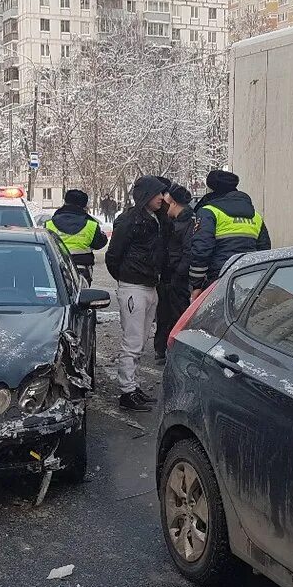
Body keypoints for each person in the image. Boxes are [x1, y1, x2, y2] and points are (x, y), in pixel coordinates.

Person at [106, 175, 168, 412]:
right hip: (134, 287)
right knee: (132, 342)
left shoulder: (156, 219)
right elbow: (114, 255)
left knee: (141, 341)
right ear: (146, 195)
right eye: (158, 194)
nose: (162, 198)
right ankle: (126, 392)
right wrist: (126, 278)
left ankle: (132, 386)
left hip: (150, 286)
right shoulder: (130, 220)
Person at [189, 169, 271, 298]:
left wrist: (196, 285)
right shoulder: (255, 216)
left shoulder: (209, 212)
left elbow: (201, 250)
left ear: (212, 191)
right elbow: (265, 250)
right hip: (249, 281)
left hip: (219, 280)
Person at [155, 185, 195, 364]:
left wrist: (177, 274)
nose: (166, 208)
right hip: (172, 276)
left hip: (177, 278)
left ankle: (175, 352)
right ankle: (165, 350)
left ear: (175, 204)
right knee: (166, 314)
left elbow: (188, 252)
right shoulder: (179, 222)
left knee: (177, 314)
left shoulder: (186, 224)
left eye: (168, 204)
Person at [45, 188, 108, 286]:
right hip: (82, 268)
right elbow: (99, 243)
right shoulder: (91, 224)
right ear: (83, 206)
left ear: (65, 202)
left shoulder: (50, 223)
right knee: (83, 297)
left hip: (56, 267)